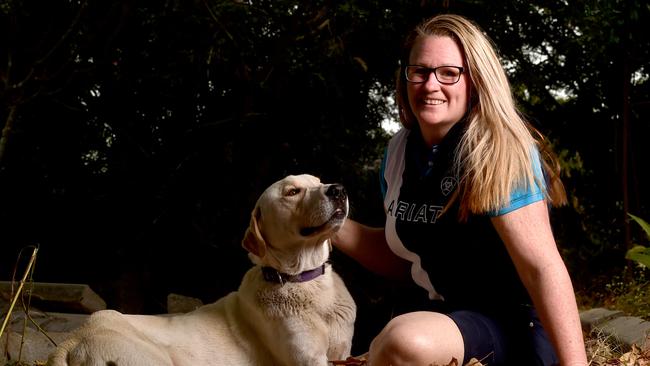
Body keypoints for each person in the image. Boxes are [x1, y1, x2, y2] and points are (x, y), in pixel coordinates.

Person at [333, 14, 588, 366]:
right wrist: (329, 223)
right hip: (445, 316)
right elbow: (406, 258)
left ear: (475, 80)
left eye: (449, 73)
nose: (430, 85)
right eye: (419, 71)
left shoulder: (498, 148)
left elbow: (541, 268)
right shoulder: (398, 152)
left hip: (510, 323)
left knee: (403, 342)